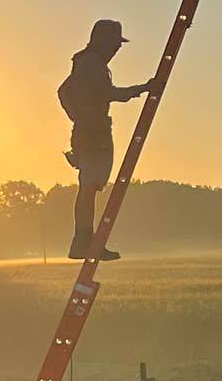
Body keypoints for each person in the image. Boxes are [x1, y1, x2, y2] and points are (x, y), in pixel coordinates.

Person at [58, 19, 153, 260]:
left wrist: (78, 117)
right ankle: (83, 243)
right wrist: (140, 89)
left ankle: (84, 242)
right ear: (103, 41)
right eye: (115, 43)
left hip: (88, 132)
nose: (117, 49)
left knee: (89, 188)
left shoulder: (85, 62)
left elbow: (64, 91)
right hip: (93, 134)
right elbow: (107, 93)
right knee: (89, 188)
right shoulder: (92, 63)